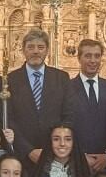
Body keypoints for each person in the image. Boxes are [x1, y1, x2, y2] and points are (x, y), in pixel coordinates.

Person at [6, 29, 70, 164]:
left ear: (47, 50)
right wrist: (28, 150)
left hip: (56, 154)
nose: (35, 51)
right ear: (23, 50)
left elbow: (67, 115)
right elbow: (9, 119)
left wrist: (55, 146)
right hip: (22, 156)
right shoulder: (10, 80)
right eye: (30, 47)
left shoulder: (61, 78)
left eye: (40, 47)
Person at [65, 39, 106, 170]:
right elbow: (65, 127)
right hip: (76, 165)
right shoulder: (66, 89)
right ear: (79, 58)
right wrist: (80, 158)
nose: (93, 60)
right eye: (88, 56)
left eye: (97, 56)